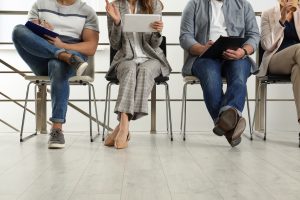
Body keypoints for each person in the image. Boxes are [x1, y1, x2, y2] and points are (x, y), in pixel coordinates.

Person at [12, 0, 99, 149]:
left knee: (56, 64)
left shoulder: (87, 11)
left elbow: (91, 47)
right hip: (42, 56)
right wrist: (42, 31)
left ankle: (57, 129)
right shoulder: (40, 4)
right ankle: (63, 56)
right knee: (17, 30)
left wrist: (63, 46)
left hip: (73, 55)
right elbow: (29, 36)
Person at [180, 0, 259, 147]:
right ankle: (232, 123)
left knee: (239, 77)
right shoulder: (194, 4)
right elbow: (185, 36)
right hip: (204, 56)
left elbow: (254, 35)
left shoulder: (244, 5)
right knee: (211, 79)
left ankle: (226, 121)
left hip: (236, 55)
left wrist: (243, 51)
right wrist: (202, 48)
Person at [104, 0, 171, 149]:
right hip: (125, 58)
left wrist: (157, 31)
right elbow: (115, 45)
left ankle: (122, 127)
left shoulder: (154, 5)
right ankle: (124, 127)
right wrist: (116, 22)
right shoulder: (114, 6)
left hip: (151, 57)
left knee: (144, 71)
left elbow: (155, 44)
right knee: (130, 69)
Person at [258, 0, 300, 123]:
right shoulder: (268, 14)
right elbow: (267, 45)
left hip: (297, 60)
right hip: (275, 59)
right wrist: (281, 20)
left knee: (298, 70)